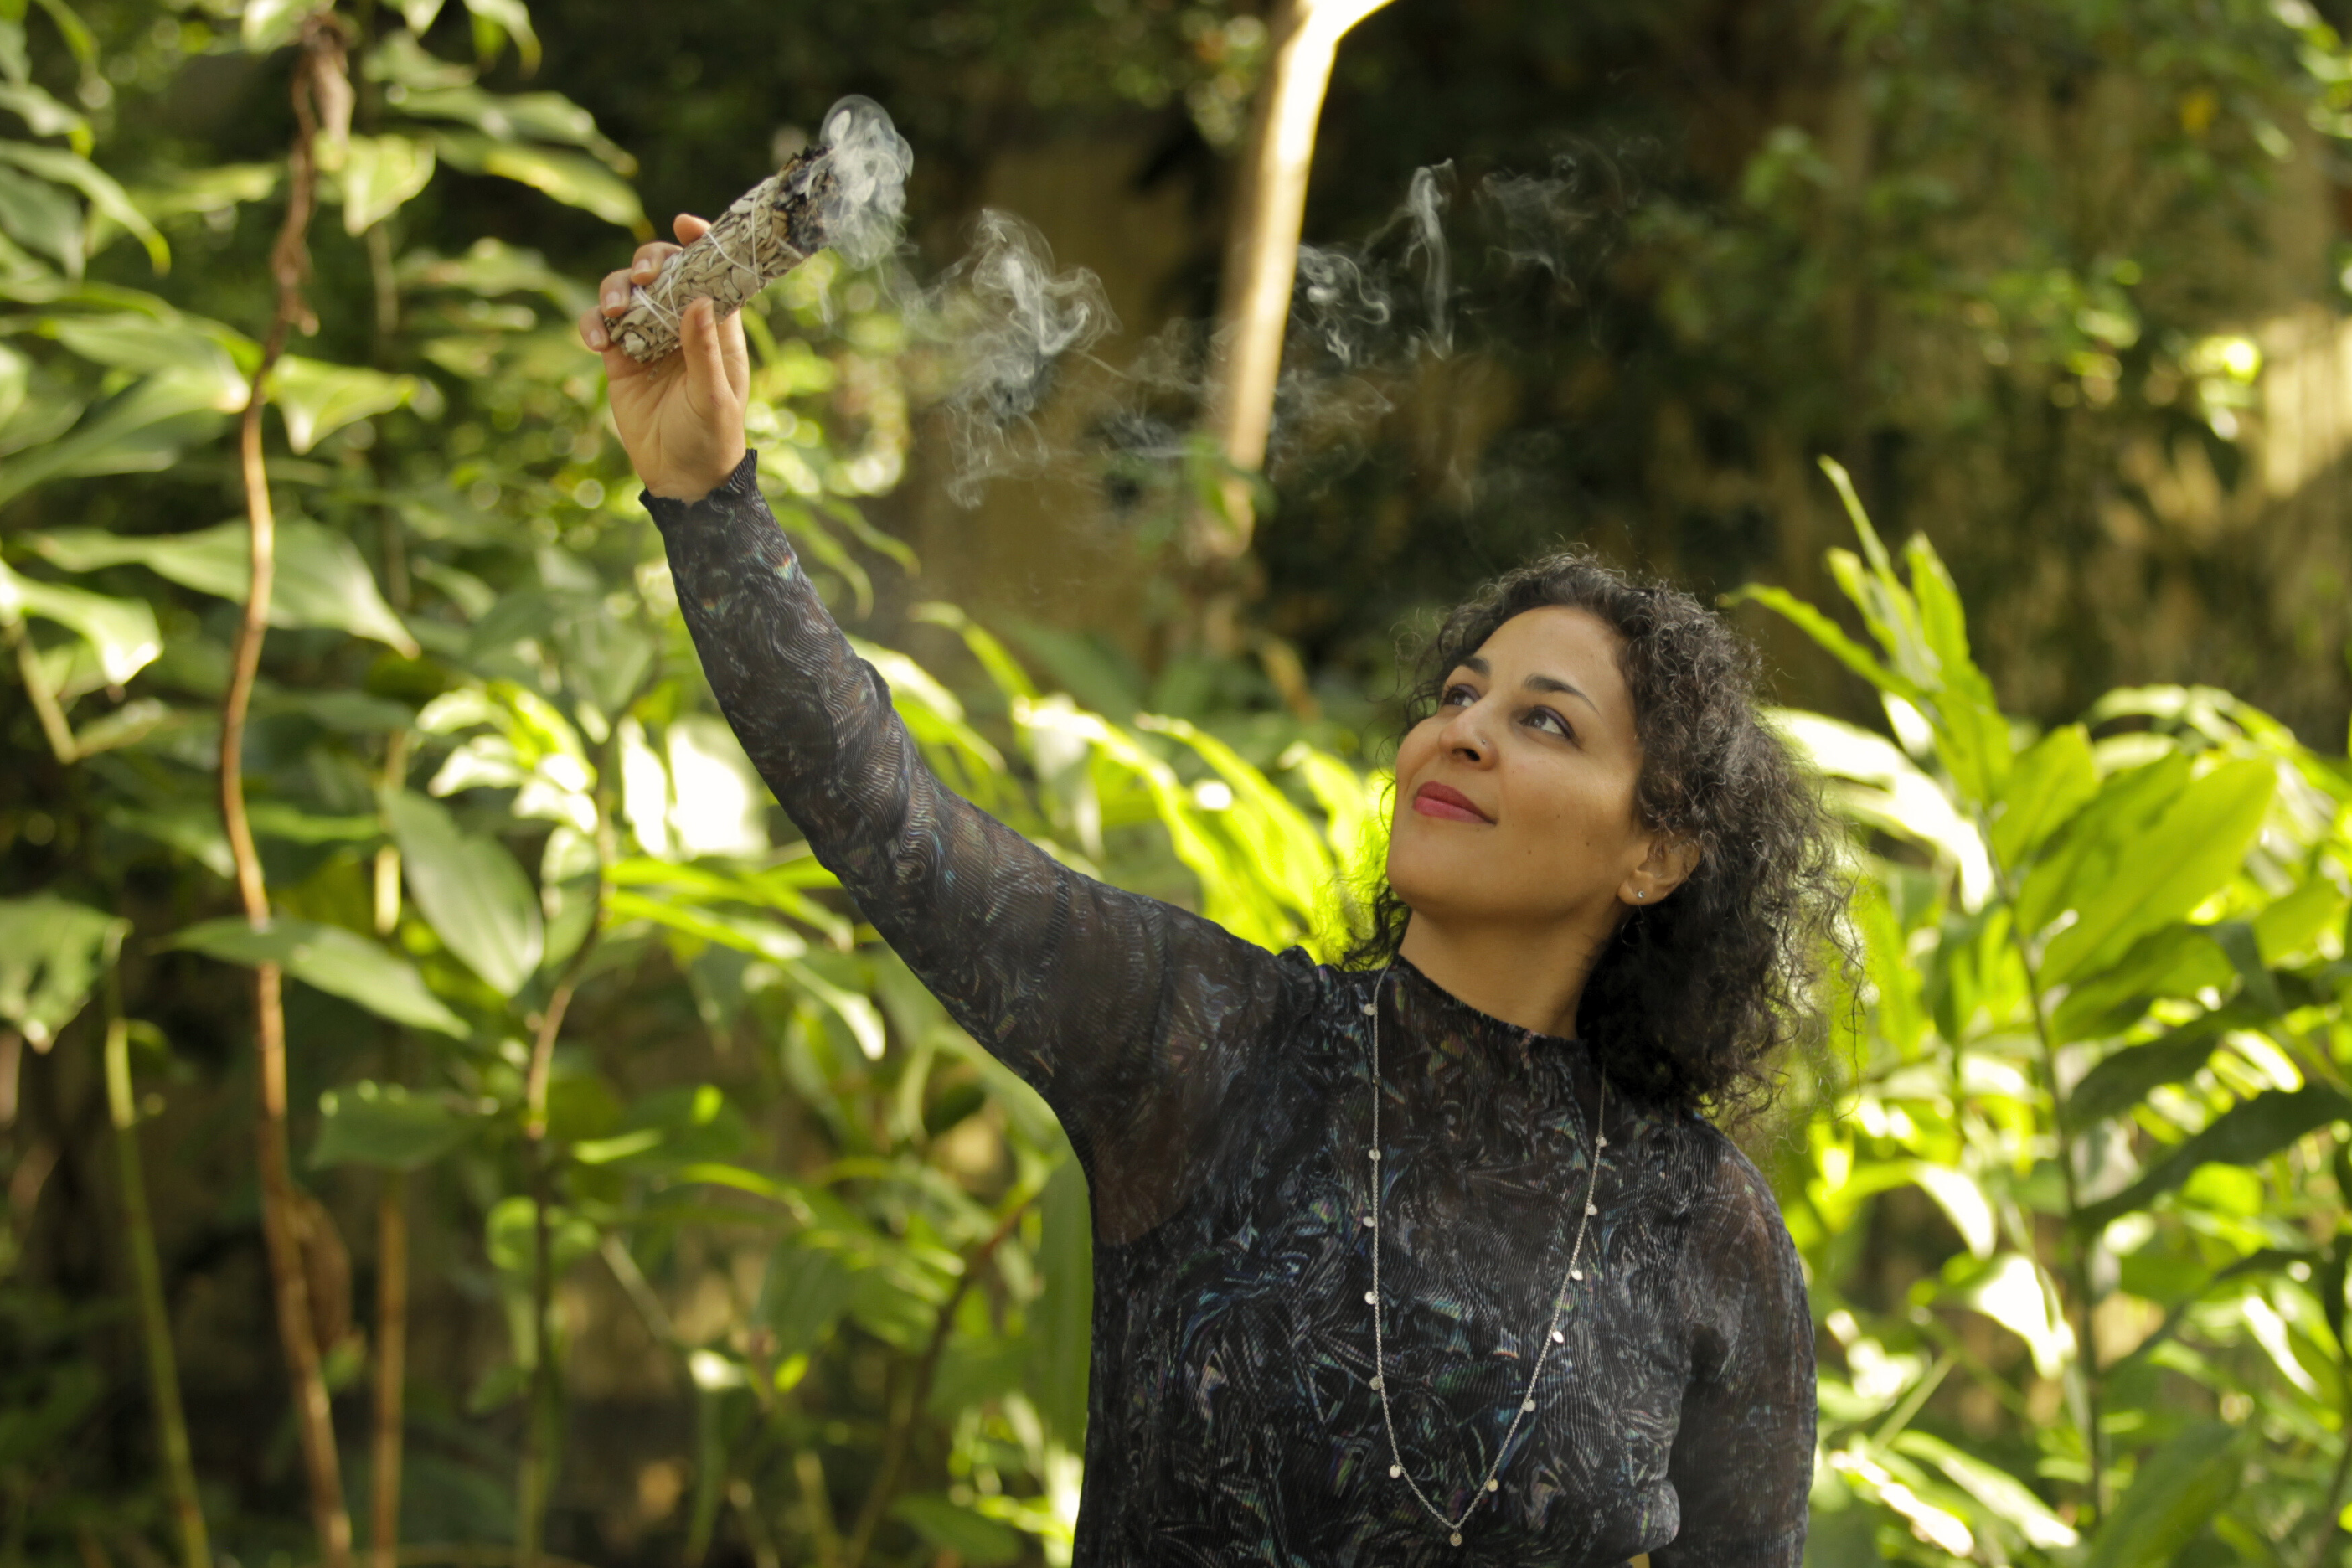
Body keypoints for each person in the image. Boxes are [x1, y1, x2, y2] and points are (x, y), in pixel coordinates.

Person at [580, 216, 1842, 1567]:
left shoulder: (1705, 1231)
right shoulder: (1210, 1045)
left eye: (1547, 723)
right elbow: (891, 817)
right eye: (1459, 694)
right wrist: (709, 495)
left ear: (1657, 853)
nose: (1460, 731)